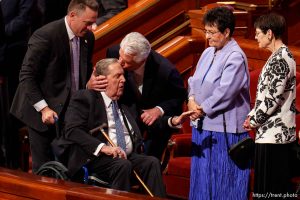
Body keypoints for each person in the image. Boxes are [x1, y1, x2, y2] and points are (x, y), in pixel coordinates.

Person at [10, 0, 106, 173]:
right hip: (40, 110)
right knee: (45, 169)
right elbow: (26, 76)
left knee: (70, 168)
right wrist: (44, 108)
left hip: (70, 113)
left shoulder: (88, 38)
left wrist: (88, 84)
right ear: (72, 16)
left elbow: (76, 75)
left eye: (94, 23)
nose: (92, 28)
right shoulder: (46, 35)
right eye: (88, 23)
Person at [62, 58, 166, 197]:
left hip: (126, 156)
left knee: (151, 162)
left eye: (123, 75)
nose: (123, 80)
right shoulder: (85, 98)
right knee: (122, 165)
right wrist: (103, 147)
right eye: (117, 76)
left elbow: (146, 119)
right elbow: (72, 130)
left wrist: (172, 120)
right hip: (96, 158)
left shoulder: (125, 102)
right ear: (103, 80)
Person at [187, 7, 251, 200]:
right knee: (202, 181)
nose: (208, 37)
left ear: (226, 32)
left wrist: (202, 109)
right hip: (201, 126)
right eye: (206, 31)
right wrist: (191, 100)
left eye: (212, 32)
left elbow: (226, 92)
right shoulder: (207, 53)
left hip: (225, 131)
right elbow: (194, 80)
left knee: (223, 181)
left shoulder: (236, 56)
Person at [106, 32, 186, 161]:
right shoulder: (113, 52)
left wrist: (159, 109)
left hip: (152, 124)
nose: (119, 63)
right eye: (120, 57)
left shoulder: (166, 71)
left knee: (149, 161)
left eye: (126, 62)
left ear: (142, 60)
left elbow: (178, 97)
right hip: (124, 113)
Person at [243, 13, 296, 197]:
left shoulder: (281, 59)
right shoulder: (279, 56)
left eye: (258, 33)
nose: (256, 37)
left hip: (274, 136)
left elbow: (271, 99)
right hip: (271, 133)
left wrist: (253, 120)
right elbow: (266, 95)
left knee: (270, 191)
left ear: (270, 33)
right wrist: (252, 114)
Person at [0, 0, 36, 169]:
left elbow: (24, 19)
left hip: (14, 57)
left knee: (12, 116)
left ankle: (13, 163)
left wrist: (2, 31)